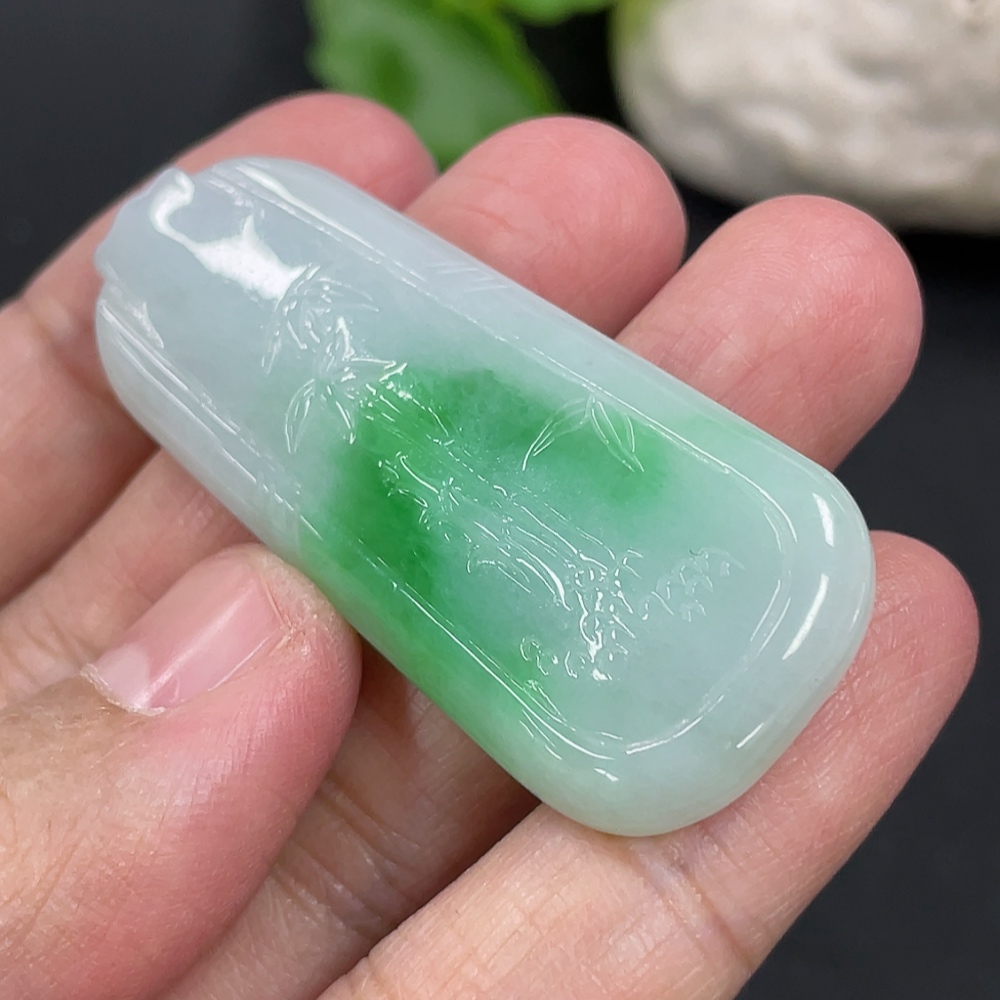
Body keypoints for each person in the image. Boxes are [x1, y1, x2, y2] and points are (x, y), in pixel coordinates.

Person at [0, 94, 978, 999]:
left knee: (545, 512)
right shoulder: (177, 346)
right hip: (463, 515)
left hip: (537, 505)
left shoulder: (261, 265)